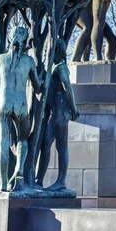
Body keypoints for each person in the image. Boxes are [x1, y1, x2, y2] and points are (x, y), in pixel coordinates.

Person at [0, 26, 41, 191]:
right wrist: (42, 79)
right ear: (25, 41)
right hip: (21, 104)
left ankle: (1, 182)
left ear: (11, 39)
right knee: (22, 139)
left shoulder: (0, 59)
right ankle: (19, 167)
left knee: (2, 142)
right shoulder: (29, 61)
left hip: (3, 102)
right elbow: (37, 86)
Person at [36, 39, 79, 191]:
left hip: (61, 111)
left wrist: (74, 108)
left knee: (61, 146)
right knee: (45, 144)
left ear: (57, 51)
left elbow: (67, 85)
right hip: (55, 111)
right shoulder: (52, 68)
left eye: (50, 50)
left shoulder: (61, 67)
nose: (48, 53)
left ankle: (61, 181)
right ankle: (38, 180)